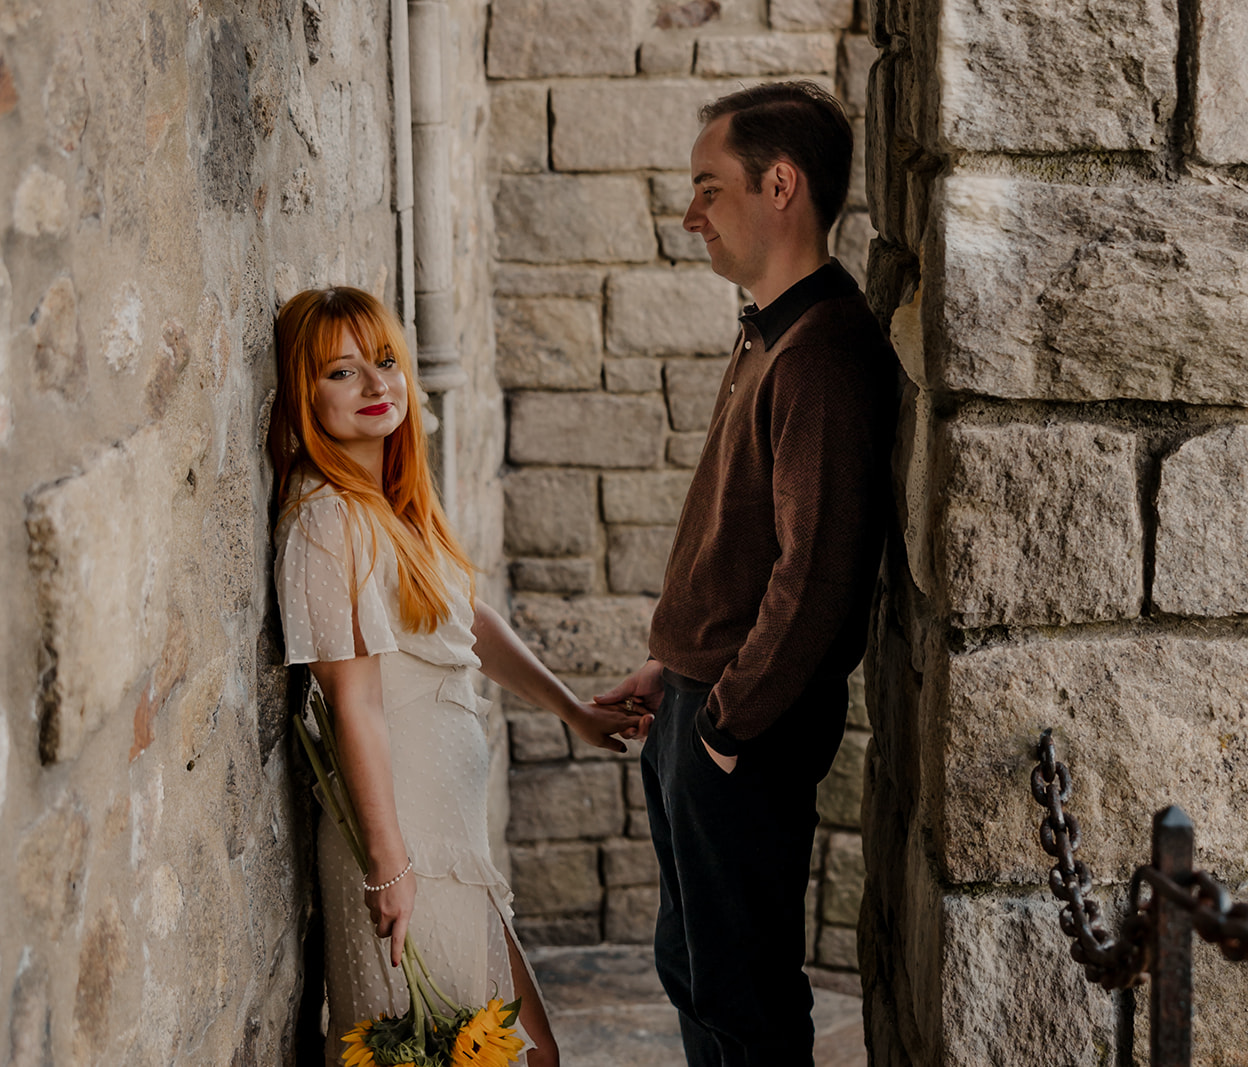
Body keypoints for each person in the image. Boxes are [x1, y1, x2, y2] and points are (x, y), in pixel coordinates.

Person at [595, 83, 899, 1066]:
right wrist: (676, 669)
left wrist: (722, 720)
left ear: (779, 185)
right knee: (693, 963)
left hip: (747, 726)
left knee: (742, 989)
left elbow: (818, 578)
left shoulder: (823, 351)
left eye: (708, 189)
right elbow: (741, 540)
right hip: (702, 700)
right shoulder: (767, 326)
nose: (691, 215)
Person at [268, 286, 647, 1066]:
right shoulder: (327, 519)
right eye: (341, 373)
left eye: (383, 362)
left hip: (449, 840)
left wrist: (571, 708)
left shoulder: (393, 503)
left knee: (523, 1052)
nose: (376, 387)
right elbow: (356, 707)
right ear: (304, 395)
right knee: (478, 1051)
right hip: (405, 848)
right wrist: (389, 868)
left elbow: (464, 617)